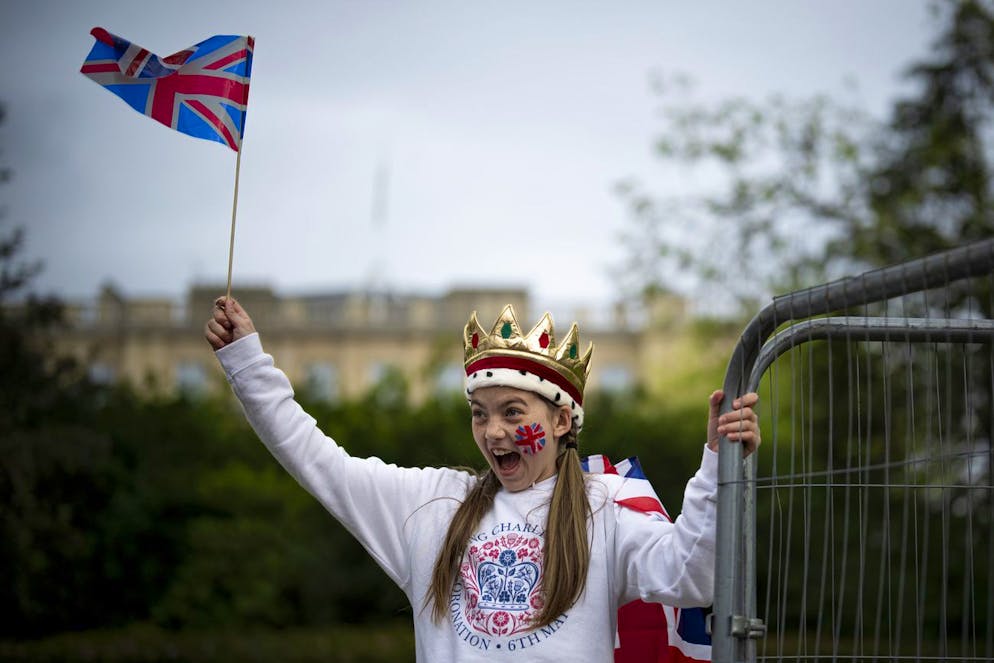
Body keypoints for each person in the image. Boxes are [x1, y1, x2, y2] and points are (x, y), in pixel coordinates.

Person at [204, 297, 760, 662]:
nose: (493, 432)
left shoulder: (604, 507)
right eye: (479, 412)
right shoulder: (432, 506)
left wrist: (717, 459)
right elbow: (316, 459)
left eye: (513, 413)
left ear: (561, 421)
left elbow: (693, 576)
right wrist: (247, 362)